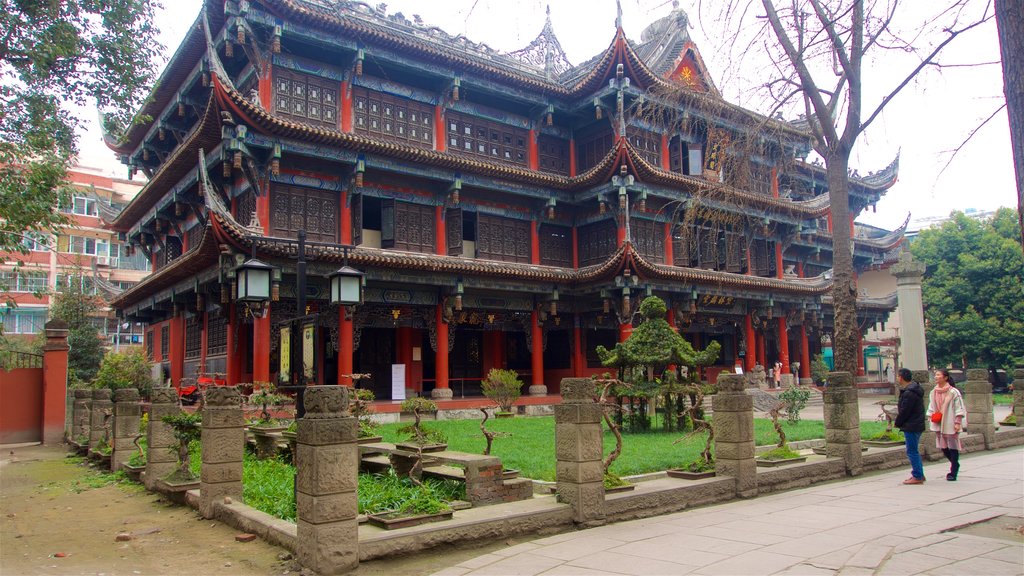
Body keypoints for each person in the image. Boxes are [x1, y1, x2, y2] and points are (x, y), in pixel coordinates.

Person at [926, 368, 967, 481]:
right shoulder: (933, 392)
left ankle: (953, 470)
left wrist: (957, 422)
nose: (936, 377)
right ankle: (955, 463)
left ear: (945, 377)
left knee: (953, 445)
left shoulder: (953, 392)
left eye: (938, 375)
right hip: (938, 421)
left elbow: (959, 408)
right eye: (935, 375)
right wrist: (930, 416)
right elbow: (931, 406)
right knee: (943, 446)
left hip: (950, 421)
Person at [894, 368, 925, 484]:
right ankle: (919, 474)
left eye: (897, 376)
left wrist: (897, 423)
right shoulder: (914, 390)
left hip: (912, 425)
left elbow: (905, 411)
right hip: (916, 424)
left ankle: (917, 475)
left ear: (901, 377)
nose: (897, 378)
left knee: (912, 451)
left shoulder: (909, 393)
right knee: (913, 450)